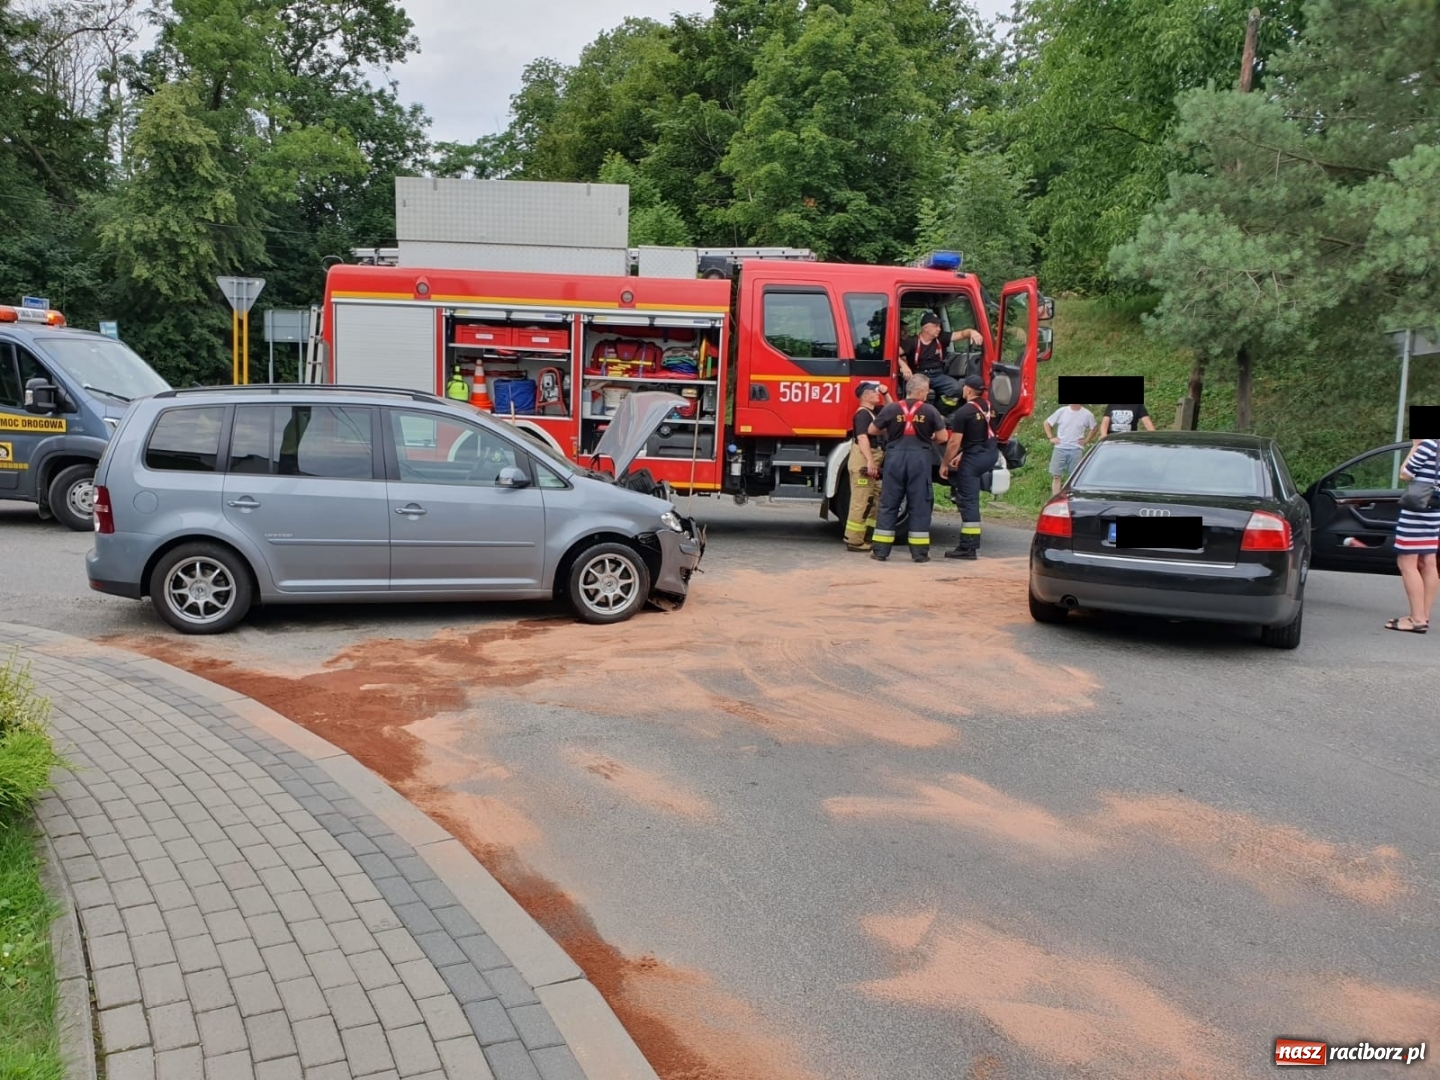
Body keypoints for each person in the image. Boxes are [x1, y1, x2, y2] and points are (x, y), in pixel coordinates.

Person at [868, 374, 949, 562]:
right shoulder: (930, 411)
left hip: (895, 457)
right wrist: (929, 438)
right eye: (927, 390)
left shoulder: (891, 408)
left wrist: (890, 432)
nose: (928, 393)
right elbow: (943, 437)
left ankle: (880, 550)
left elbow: (872, 430)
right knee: (919, 504)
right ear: (920, 391)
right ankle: (919, 554)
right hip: (919, 459)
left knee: (889, 503)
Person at [940, 375, 1001, 560]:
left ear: (967, 390)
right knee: (970, 500)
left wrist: (944, 463)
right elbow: (980, 435)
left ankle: (968, 547)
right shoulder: (989, 406)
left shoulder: (964, 412)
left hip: (974, 460)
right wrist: (962, 454)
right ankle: (969, 546)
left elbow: (954, 442)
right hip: (989, 453)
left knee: (968, 502)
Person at [1387, 437, 1440, 633]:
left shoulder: (1427, 445)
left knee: (1406, 562)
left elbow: (1405, 473)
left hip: (1416, 512)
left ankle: (1416, 619)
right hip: (1435, 510)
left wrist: (1414, 446)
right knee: (1429, 562)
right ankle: (1423, 615)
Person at [844, 381, 891, 551]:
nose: (877, 394)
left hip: (872, 460)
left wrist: (885, 393)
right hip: (864, 462)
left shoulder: (874, 412)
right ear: (865, 396)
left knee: (873, 498)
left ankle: (867, 535)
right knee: (861, 501)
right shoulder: (863, 414)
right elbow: (863, 438)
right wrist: (870, 461)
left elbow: (891, 410)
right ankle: (854, 541)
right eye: (875, 392)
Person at [898, 312, 984, 404]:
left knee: (956, 389)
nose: (939, 329)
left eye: (939, 326)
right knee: (917, 392)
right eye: (936, 326)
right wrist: (903, 365)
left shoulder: (941, 337)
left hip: (938, 375)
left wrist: (971, 332)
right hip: (919, 375)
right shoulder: (911, 341)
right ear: (926, 328)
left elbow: (962, 334)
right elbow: (894, 354)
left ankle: (941, 411)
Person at [1044, 402, 1097, 495]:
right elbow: (1047, 423)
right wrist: (1051, 437)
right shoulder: (1062, 411)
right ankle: (1055, 498)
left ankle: (1072, 497)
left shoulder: (1087, 414)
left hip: (1076, 449)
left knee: (1074, 476)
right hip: (1060, 448)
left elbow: (1094, 427)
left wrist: (1087, 440)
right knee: (1056, 475)